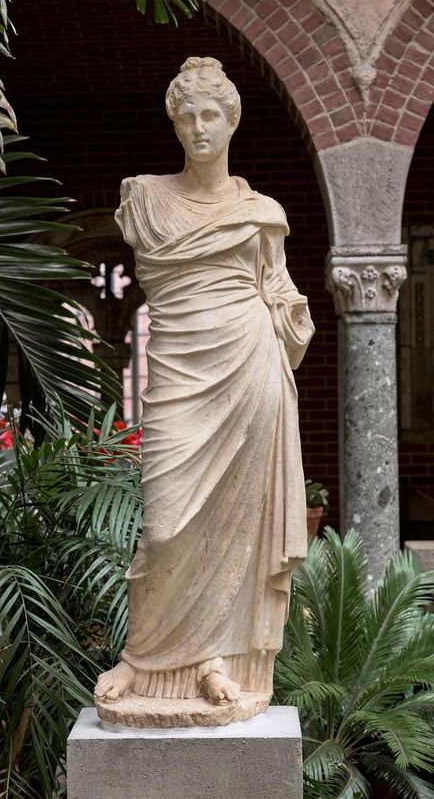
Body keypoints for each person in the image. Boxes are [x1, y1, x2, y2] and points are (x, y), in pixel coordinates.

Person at [95, 57, 314, 711]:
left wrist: (291, 311)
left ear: (232, 121)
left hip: (248, 370)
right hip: (179, 373)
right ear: (174, 122)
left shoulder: (260, 212)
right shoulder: (146, 197)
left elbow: (276, 290)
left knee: (236, 528)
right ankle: (144, 658)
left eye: (210, 114)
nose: (198, 126)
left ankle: (215, 658)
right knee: (165, 524)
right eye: (187, 115)